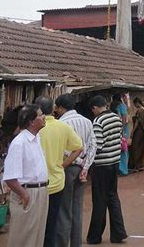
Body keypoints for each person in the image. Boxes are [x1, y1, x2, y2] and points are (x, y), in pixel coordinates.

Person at [35, 96, 83, 247]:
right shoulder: (62, 126)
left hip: (37, 184)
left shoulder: (34, 129)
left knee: (37, 225)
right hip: (57, 182)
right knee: (53, 221)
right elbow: (79, 147)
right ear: (52, 109)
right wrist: (63, 165)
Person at [54, 93, 97, 247]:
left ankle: (62, 243)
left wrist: (77, 161)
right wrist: (85, 166)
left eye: (56, 108)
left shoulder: (61, 123)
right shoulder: (86, 121)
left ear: (60, 107)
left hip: (67, 167)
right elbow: (93, 145)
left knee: (64, 210)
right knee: (77, 209)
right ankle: (76, 243)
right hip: (82, 169)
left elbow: (65, 149)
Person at [3, 104, 49, 247]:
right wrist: (24, 195)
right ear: (31, 121)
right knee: (23, 236)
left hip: (40, 191)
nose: (44, 117)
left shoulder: (36, 139)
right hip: (28, 192)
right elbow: (10, 177)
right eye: (41, 115)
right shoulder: (19, 143)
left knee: (37, 235)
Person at [87, 95, 128, 245]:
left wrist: (86, 157)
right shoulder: (116, 118)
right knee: (113, 197)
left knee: (99, 200)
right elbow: (118, 139)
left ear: (95, 108)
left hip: (101, 165)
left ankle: (95, 236)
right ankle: (118, 233)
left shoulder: (98, 121)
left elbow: (98, 146)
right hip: (114, 162)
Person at [129, 97, 144, 172]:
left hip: (139, 131)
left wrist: (132, 132)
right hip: (143, 132)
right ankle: (139, 165)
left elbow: (137, 123)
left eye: (135, 104)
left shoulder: (139, 110)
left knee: (135, 148)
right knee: (140, 147)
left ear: (136, 103)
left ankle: (136, 165)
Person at [111, 93, 130, 176]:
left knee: (123, 149)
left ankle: (123, 170)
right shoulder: (119, 106)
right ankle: (120, 169)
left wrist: (121, 129)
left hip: (122, 130)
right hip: (120, 129)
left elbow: (124, 119)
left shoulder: (121, 106)